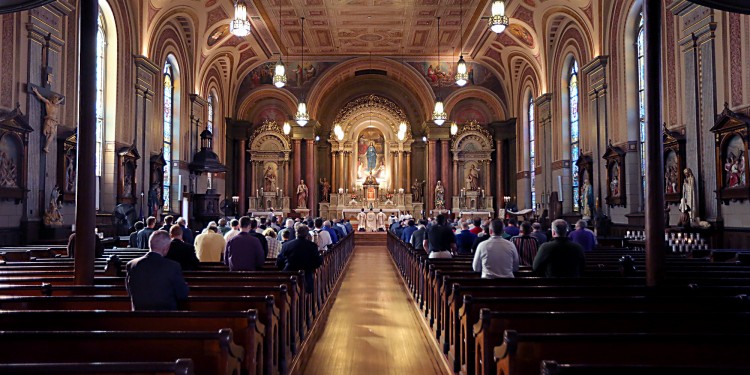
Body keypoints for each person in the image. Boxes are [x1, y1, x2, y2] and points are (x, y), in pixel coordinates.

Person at [125, 230, 189, 311]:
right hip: (166, 317)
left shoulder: (131, 265)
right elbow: (182, 294)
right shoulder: (173, 266)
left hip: (139, 317)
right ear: (166, 248)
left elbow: (129, 292)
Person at [276, 224, 323, 294]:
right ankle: (308, 303)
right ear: (307, 234)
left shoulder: (287, 245)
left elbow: (279, 262)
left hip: (289, 276)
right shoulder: (312, 246)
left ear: (296, 233)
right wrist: (310, 267)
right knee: (308, 288)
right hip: (306, 276)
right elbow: (317, 262)